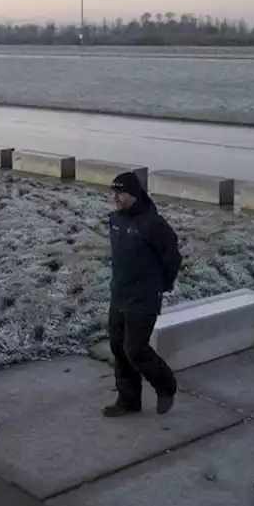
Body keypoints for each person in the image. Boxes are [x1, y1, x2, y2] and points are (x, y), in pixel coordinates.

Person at [103, 172, 182, 417]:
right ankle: (128, 400)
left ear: (134, 194)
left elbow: (172, 259)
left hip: (144, 297)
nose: (115, 197)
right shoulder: (115, 220)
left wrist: (161, 285)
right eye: (113, 192)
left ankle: (166, 385)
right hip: (119, 295)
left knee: (135, 349)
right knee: (118, 349)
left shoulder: (154, 224)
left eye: (120, 192)